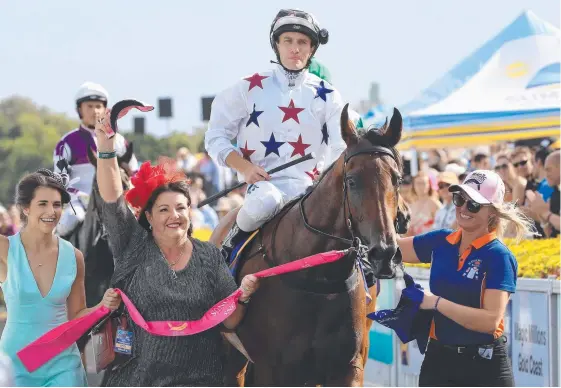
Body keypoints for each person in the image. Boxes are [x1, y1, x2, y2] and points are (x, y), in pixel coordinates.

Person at [93, 110, 260, 386]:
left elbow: (230, 322)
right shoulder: (133, 247)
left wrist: (243, 295)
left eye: (181, 208)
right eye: (164, 209)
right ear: (148, 216)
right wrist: (106, 147)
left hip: (203, 380)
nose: (175, 215)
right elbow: (112, 202)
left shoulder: (208, 257)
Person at [205, 8, 347, 258]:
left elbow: (341, 146)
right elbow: (215, 135)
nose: (295, 48)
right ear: (276, 45)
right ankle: (227, 252)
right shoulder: (248, 87)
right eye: (288, 41)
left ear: (312, 49)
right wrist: (244, 168)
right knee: (265, 201)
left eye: (303, 42)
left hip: (313, 190)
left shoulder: (329, 95)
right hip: (264, 187)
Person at [397, 170, 535, 386]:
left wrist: (436, 303)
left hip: (483, 366)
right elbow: (391, 249)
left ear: (493, 212)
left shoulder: (498, 255)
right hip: (438, 359)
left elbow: (490, 321)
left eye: (474, 204)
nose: (462, 208)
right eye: (460, 199)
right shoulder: (441, 240)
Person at [0, 169, 120, 386]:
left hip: (63, 366)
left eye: (57, 205)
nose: (51, 211)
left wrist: (103, 306)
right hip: (15, 365)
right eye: (43, 204)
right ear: (26, 208)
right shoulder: (4, 248)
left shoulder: (74, 257)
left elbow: (76, 316)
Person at [53, 81, 138, 238]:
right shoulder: (66, 142)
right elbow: (59, 179)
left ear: (105, 110)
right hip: (80, 201)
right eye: (89, 106)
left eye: (98, 106)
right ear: (80, 109)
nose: (95, 111)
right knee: (71, 219)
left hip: (116, 200)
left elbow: (135, 173)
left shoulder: (119, 141)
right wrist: (78, 195)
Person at [526, 150, 560, 238]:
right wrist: (542, 218)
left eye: (549, 170)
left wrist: (546, 213)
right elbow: (550, 235)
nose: (546, 174)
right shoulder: (555, 191)